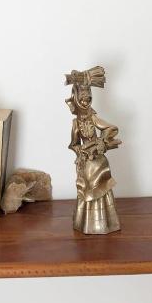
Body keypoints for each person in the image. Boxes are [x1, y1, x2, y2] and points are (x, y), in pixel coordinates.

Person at [65, 66, 121, 234]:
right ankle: (87, 222)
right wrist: (81, 151)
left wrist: (102, 142)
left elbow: (112, 128)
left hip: (98, 159)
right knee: (87, 180)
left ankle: (105, 222)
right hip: (86, 160)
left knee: (100, 173)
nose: (85, 102)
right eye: (82, 99)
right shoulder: (76, 123)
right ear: (76, 99)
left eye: (88, 98)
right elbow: (74, 144)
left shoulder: (93, 117)